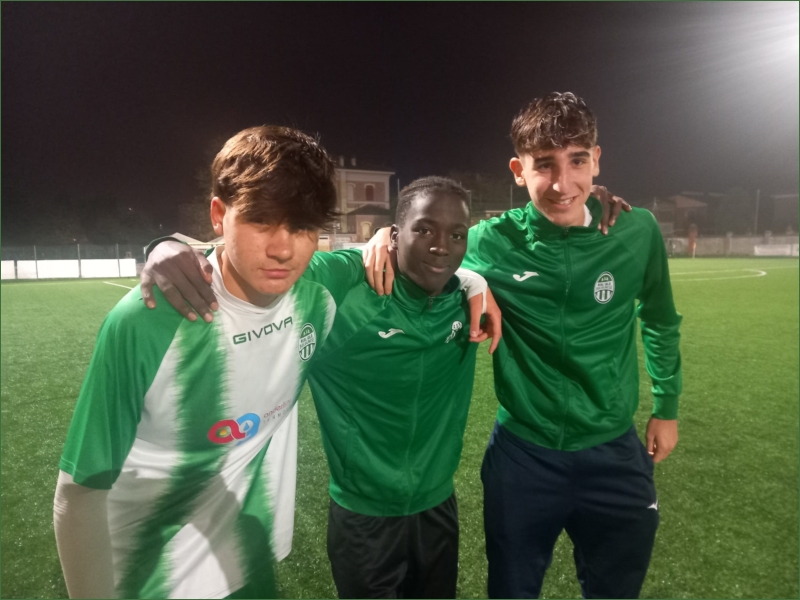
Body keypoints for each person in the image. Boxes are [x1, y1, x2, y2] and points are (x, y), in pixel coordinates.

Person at [364, 92, 682, 599]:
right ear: (518, 170)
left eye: (577, 161)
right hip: (524, 458)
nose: (562, 183)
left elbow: (660, 319)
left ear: (597, 160)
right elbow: (429, 243)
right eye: (544, 165)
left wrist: (666, 407)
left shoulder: (636, 230)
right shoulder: (491, 241)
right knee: (512, 590)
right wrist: (384, 236)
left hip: (615, 453)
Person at [140, 176, 499, 598]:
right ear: (395, 235)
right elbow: (252, 268)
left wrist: (475, 281)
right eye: (423, 230)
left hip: (439, 509)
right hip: (364, 521)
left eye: (456, 236)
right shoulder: (345, 295)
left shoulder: (463, 298)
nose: (441, 247)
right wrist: (167, 247)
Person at [54, 125, 347, 599]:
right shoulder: (146, 320)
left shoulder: (317, 289)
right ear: (218, 214)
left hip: (250, 566)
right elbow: (79, 492)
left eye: (302, 227)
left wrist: (404, 243)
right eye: (261, 221)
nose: (283, 248)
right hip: (150, 581)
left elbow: (408, 253)